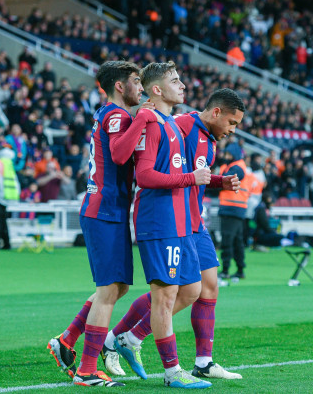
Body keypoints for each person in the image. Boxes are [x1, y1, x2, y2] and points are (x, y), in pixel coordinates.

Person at [105, 88, 245, 383]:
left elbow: (194, 177)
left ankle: (203, 362)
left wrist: (220, 181)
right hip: (172, 221)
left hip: (195, 221)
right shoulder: (179, 125)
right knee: (169, 291)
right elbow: (157, 169)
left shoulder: (210, 139)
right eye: (232, 123)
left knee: (207, 289)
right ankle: (123, 338)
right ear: (216, 112)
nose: (232, 130)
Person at [46, 61, 162, 387]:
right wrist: (142, 118)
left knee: (118, 287)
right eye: (137, 82)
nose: (142, 88)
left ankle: (67, 340)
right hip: (103, 210)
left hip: (109, 210)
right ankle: (86, 369)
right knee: (108, 291)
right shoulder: (117, 115)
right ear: (121, 86)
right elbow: (120, 154)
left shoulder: (111, 114)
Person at [115, 61, 212, 389]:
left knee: (192, 290)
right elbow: (143, 176)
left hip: (181, 221)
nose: (182, 85)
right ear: (156, 90)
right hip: (160, 222)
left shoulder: (170, 122)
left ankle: (129, 338)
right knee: (165, 296)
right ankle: (172, 372)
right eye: (174, 80)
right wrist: (190, 178)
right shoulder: (153, 122)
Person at [218, 144, 249, 279]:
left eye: (229, 154)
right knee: (237, 241)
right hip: (237, 208)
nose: (226, 157)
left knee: (227, 240)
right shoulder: (237, 166)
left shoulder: (236, 167)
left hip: (231, 208)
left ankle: (225, 270)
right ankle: (240, 269)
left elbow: (225, 181)